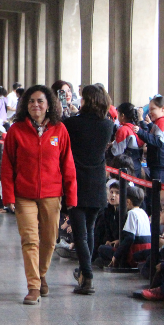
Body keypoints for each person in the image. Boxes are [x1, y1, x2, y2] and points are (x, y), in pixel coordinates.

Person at [1, 85, 77, 305]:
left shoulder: (59, 130)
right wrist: (9, 197)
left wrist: (71, 197)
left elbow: (68, 165)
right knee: (30, 240)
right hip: (23, 194)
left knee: (50, 239)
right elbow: (7, 166)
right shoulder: (16, 130)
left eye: (40, 101)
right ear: (26, 104)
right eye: (31, 101)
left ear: (48, 105)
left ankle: (41, 273)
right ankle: (33, 285)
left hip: (52, 194)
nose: (35, 105)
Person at [63, 85, 113, 295]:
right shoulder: (108, 125)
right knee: (89, 231)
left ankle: (87, 277)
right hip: (97, 182)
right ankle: (86, 270)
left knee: (80, 234)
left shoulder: (73, 123)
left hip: (77, 182)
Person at [97, 186, 150, 268]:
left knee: (102, 249)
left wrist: (116, 256)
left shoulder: (132, 213)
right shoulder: (143, 212)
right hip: (143, 251)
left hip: (134, 253)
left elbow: (129, 238)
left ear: (128, 201)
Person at [134, 95, 164, 182]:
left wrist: (140, 132)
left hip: (160, 166)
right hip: (162, 164)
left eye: (152, 109)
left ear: (162, 108)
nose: (150, 112)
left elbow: (158, 141)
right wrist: (149, 125)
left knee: (157, 193)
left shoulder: (163, 121)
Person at [111, 103, 144, 178]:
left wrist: (110, 148)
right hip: (137, 165)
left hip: (126, 167)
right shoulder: (137, 128)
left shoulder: (123, 130)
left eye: (118, 114)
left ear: (122, 115)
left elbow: (116, 152)